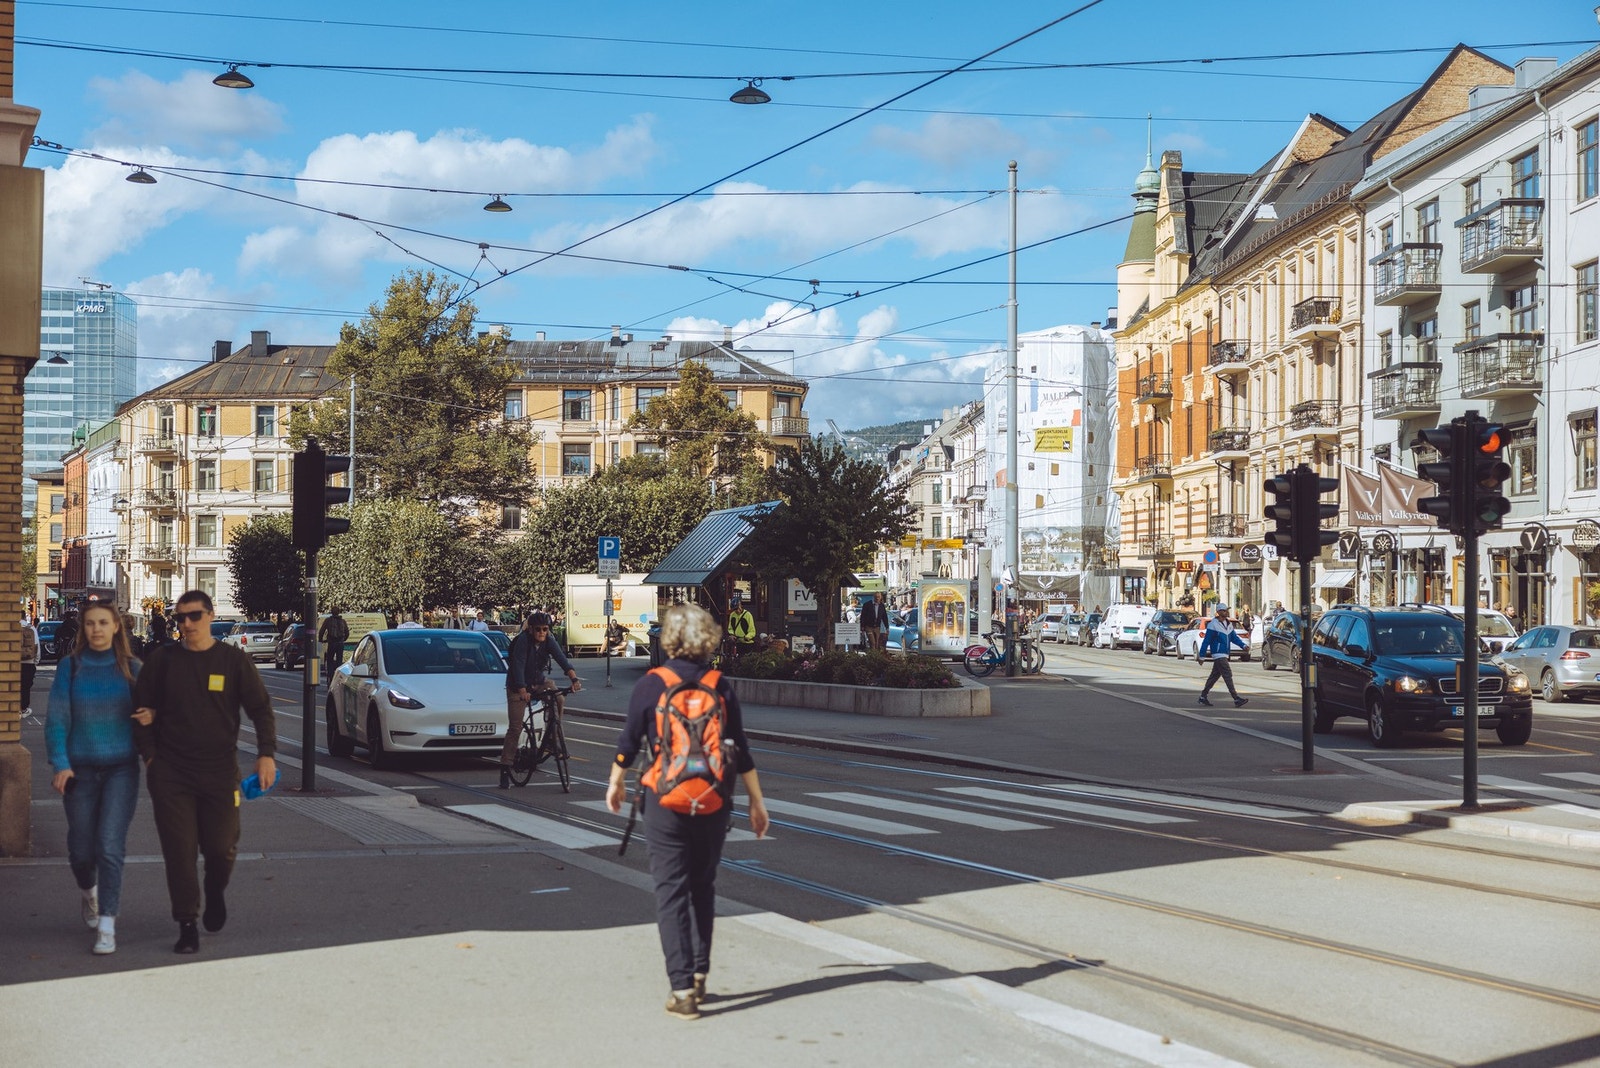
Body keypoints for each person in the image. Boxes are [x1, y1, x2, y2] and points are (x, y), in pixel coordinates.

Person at [605, 603, 769, 1020]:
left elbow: (628, 744)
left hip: (665, 801)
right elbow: (740, 749)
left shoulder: (651, 683)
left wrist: (615, 781)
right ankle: (699, 975)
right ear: (708, 637)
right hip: (713, 800)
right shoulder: (720, 684)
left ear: (670, 638)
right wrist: (756, 800)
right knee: (703, 886)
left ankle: (682, 991)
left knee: (671, 890)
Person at [132, 590, 277, 955]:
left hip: (219, 772)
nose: (186, 624)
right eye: (179, 618)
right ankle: (187, 923)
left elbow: (260, 708)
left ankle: (215, 891)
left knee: (221, 848)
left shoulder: (232, 661)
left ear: (210, 615)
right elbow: (140, 711)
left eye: (194, 616)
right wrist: (151, 758)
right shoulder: (162, 660)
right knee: (179, 853)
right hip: (171, 774)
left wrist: (266, 755)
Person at [45, 603, 148, 956]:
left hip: (121, 769)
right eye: (90, 624)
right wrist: (60, 763)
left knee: (109, 846)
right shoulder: (69, 668)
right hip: (80, 772)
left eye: (103, 623)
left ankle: (107, 923)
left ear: (117, 627)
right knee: (81, 850)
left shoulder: (133, 669)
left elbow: (156, 711)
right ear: (83, 629)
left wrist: (153, 715)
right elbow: (57, 720)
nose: (96, 629)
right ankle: (88, 893)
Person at [499, 611, 582, 789]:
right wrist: (522, 689)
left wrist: (574, 679)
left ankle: (553, 738)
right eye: (538, 629)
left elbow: (561, 658)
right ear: (531, 630)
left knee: (558, 697)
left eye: (545, 629)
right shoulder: (522, 641)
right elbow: (518, 664)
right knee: (515, 728)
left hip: (538, 682)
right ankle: (505, 768)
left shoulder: (548, 640)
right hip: (517, 685)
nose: (542, 633)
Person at [1198, 605, 1249, 708]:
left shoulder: (1228, 624)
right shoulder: (1213, 624)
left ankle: (1203, 696)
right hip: (1218, 653)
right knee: (1227, 675)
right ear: (1219, 612)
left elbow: (1234, 638)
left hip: (1224, 654)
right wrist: (1202, 655)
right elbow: (1206, 641)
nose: (1226, 612)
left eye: (1227, 610)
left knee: (1214, 677)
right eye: (1224, 610)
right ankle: (1236, 698)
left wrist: (1243, 645)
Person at [318, 608, 350, 677]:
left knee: (330, 660)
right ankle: (338, 676)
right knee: (339, 660)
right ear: (339, 612)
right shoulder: (343, 621)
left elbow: (322, 631)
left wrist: (320, 640)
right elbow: (347, 633)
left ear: (331, 612)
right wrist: (343, 640)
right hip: (340, 643)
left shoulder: (328, 620)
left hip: (332, 642)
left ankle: (330, 675)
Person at [20, 611, 39, 719]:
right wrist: (35, 661)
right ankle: (24, 708)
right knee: (26, 687)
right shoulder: (31, 628)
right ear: (24, 617)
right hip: (28, 662)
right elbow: (36, 645)